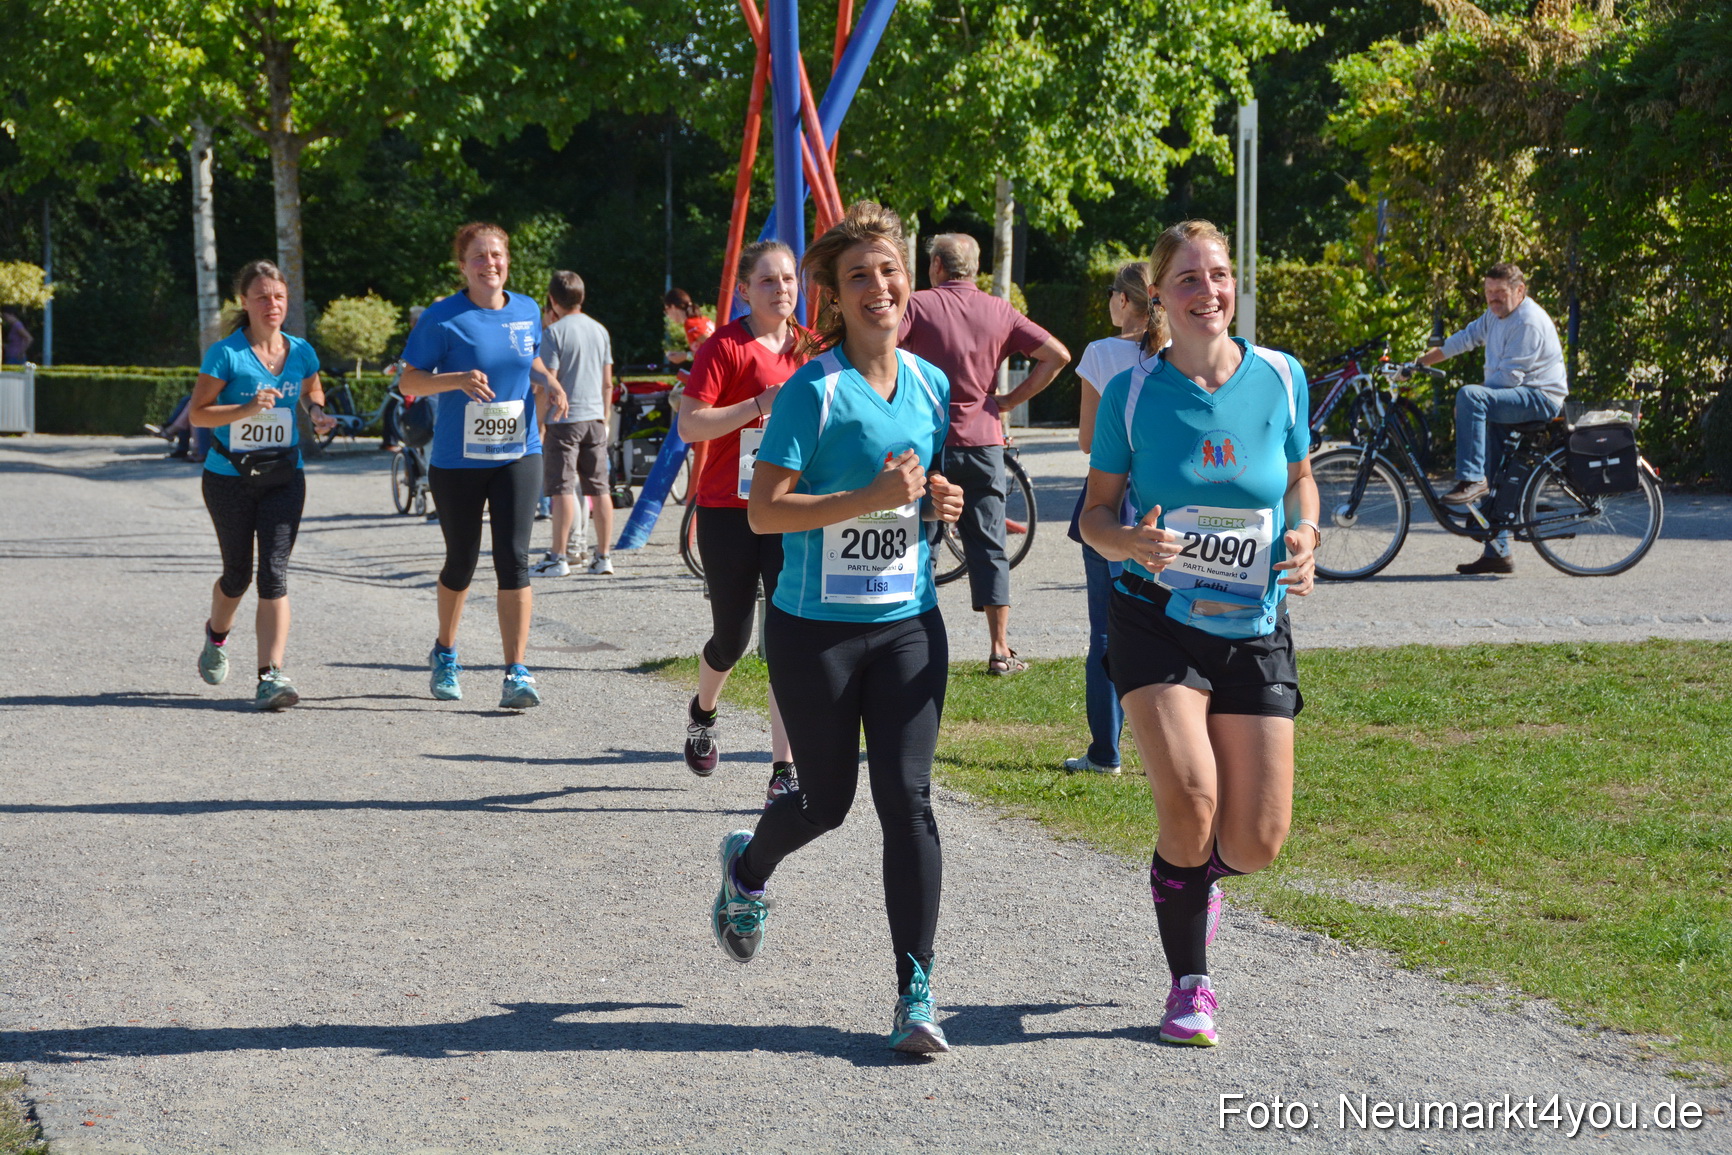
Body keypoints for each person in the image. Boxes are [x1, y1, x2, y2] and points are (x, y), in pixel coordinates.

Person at [709, 202, 965, 1055]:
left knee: (908, 799)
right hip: (815, 630)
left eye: (889, 270)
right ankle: (748, 867)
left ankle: (915, 992)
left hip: (907, 622)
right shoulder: (810, 392)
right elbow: (763, 510)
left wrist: (938, 500)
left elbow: (922, 487)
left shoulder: (930, 384)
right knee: (826, 802)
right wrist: (870, 498)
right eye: (859, 276)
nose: (877, 286)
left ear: (909, 282)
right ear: (835, 296)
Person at [1079, 220, 1319, 1048]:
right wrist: (1130, 541)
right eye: (1187, 278)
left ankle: (1194, 879)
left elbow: (1299, 479)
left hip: (1253, 620)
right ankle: (1190, 983)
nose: (1207, 291)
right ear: (1158, 295)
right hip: (1157, 617)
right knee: (1189, 800)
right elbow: (1093, 515)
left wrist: (1306, 533)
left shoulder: (1281, 376)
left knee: (1256, 842)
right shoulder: (1132, 393)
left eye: (1218, 274)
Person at [399, 221, 568, 710]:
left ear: (507, 261)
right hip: (458, 460)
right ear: (463, 266)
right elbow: (410, 381)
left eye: (496, 254)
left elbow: (527, 357)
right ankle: (445, 651)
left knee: (514, 557)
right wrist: (454, 379)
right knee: (462, 560)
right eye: (479, 255)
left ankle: (516, 671)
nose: (489, 263)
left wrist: (550, 380)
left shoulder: (527, 309)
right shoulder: (442, 317)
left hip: (518, 451)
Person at [897, 233, 1070, 674]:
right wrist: (1008, 400)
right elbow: (1057, 355)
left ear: (937, 266)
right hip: (983, 443)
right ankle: (999, 648)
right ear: (975, 269)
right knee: (990, 544)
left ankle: (912, 639)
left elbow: (881, 350)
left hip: (931, 442)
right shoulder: (1000, 310)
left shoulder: (918, 305)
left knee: (923, 540)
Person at [676, 240, 807, 803]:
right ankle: (703, 712)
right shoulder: (724, 347)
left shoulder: (811, 347)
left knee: (786, 641)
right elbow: (690, 425)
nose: (781, 289)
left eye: (789, 279)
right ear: (746, 291)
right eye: (768, 281)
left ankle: (783, 769)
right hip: (727, 511)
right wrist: (759, 405)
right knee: (732, 639)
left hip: (787, 508)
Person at [187, 260, 336, 710]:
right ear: (245, 302)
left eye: (279, 296)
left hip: (283, 476)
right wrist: (246, 409)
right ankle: (217, 636)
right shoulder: (226, 354)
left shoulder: (301, 351)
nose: (272, 304)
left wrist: (316, 413)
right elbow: (198, 414)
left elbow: (311, 388)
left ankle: (270, 676)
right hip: (228, 478)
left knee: (273, 573)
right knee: (237, 576)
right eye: (262, 297)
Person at [1414, 262, 1568, 576]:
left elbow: (1509, 379)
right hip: (1514, 397)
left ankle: (1472, 480)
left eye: (1500, 292)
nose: (1493, 298)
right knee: (1495, 469)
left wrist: (1472, 402)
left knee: (1471, 396)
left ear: (1520, 291)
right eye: (1488, 292)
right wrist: (1419, 363)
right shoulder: (1494, 316)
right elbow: (1464, 339)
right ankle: (1498, 552)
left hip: (1539, 398)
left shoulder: (1527, 321)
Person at [1063, 261, 1152, 776]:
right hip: (1164, 496)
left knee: (1106, 628)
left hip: (1110, 499)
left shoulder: (1101, 353)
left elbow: (1088, 441)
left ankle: (1105, 751)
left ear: (1123, 300)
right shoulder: (1179, 349)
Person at [531, 270, 616, 577]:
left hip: (564, 420)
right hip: (595, 418)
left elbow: (547, 384)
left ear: (552, 300)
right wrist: (605, 417)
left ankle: (558, 557)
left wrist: (539, 423)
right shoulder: (600, 330)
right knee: (600, 489)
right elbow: (607, 383)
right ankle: (603, 556)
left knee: (562, 488)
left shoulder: (553, 333)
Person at [663, 288, 715, 372]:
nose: (667, 315)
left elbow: (714, 347)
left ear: (672, 307)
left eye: (666, 310)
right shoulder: (702, 319)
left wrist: (686, 356)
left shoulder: (690, 323)